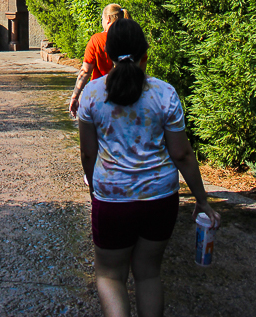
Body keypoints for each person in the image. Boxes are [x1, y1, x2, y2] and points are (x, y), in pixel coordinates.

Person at [77, 19, 220, 317]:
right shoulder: (164, 93)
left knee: (109, 275)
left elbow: (88, 154)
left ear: (109, 55)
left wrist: (95, 189)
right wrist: (201, 199)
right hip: (160, 200)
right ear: (146, 54)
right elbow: (181, 154)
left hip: (113, 201)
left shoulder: (91, 95)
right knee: (149, 274)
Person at [69, 4, 131, 117]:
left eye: (102, 19)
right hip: (128, 98)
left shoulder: (96, 40)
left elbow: (85, 71)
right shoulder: (132, 38)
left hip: (100, 98)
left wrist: (75, 96)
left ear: (108, 19)